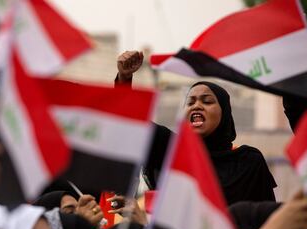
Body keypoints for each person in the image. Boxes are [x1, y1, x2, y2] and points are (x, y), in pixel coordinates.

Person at [116, 51, 276, 205]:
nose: (197, 106)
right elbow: (131, 121)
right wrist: (124, 78)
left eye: (207, 101)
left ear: (224, 113)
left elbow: (266, 217)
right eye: (190, 102)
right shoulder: (172, 149)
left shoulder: (248, 161)